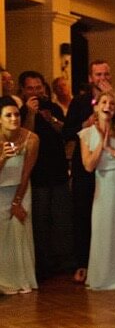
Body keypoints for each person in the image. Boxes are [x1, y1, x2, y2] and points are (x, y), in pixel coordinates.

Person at [78, 91, 115, 290]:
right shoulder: (86, 134)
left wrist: (110, 147)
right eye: (104, 102)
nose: (108, 106)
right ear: (96, 107)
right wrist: (101, 145)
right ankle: (103, 277)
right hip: (103, 188)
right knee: (103, 232)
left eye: (112, 104)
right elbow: (88, 166)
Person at [19, 70, 73, 281]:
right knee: (40, 220)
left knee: (61, 218)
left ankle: (63, 260)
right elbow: (24, 138)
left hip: (58, 171)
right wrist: (31, 114)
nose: (35, 92)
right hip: (37, 174)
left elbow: (66, 133)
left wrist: (52, 120)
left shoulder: (53, 107)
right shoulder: (20, 112)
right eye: (30, 88)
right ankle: (43, 264)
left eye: (38, 87)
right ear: (23, 90)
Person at [0, 96, 39, 294]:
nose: (14, 118)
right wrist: (2, 158)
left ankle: (19, 279)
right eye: (8, 115)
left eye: (16, 114)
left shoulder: (31, 139)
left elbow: (26, 173)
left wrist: (17, 202)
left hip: (20, 191)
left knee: (18, 234)